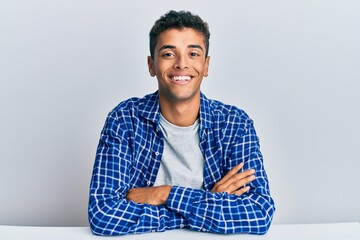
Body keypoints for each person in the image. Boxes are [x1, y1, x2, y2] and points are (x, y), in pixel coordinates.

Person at [88, 10, 275, 236]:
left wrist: (165, 194)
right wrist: (210, 202)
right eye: (168, 54)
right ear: (151, 65)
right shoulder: (124, 120)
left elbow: (259, 213)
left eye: (193, 54)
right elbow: (103, 215)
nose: (181, 64)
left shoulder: (235, 124)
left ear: (206, 65)